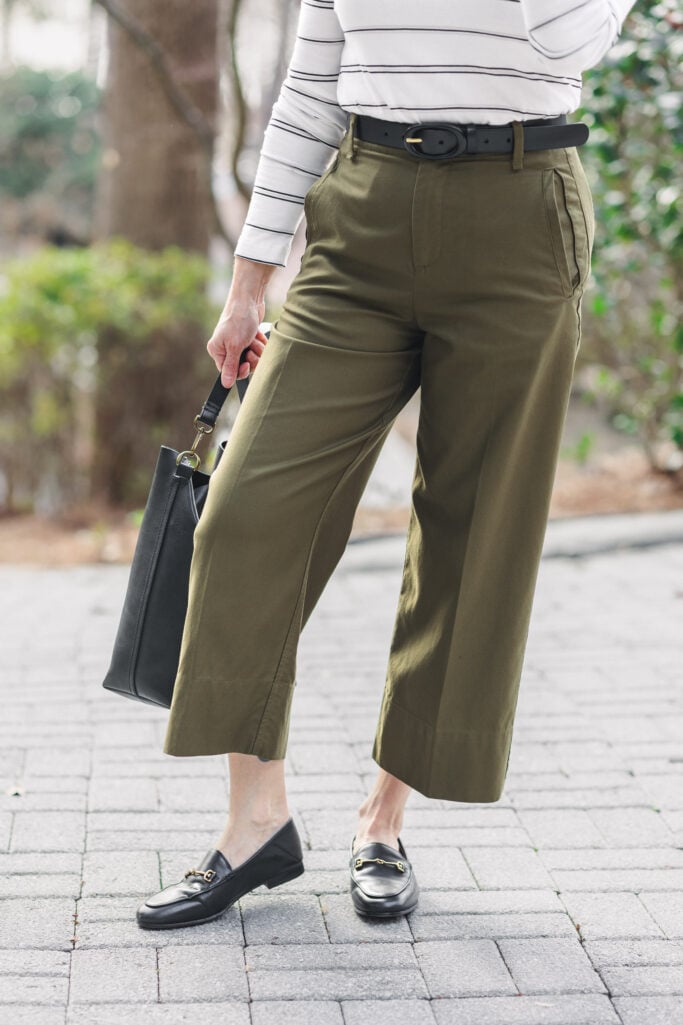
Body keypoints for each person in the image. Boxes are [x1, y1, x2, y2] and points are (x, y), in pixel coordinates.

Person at [136, 0, 638, 929]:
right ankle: (256, 822)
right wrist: (248, 283)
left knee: (469, 528)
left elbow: (570, 40)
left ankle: (382, 820)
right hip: (360, 215)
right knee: (245, 512)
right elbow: (307, 91)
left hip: (519, 213)